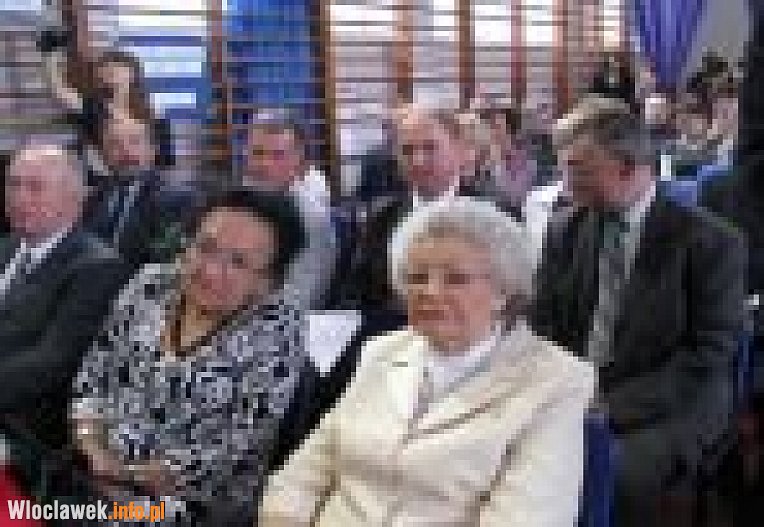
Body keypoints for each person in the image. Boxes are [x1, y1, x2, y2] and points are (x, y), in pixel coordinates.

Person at [260, 196, 595, 527]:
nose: (430, 292)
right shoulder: (381, 351)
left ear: (504, 292)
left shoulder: (557, 380)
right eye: (417, 278)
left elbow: (527, 518)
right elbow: (303, 474)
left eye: (456, 279)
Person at [530, 96, 747, 527]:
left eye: (579, 170)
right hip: (578, 384)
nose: (565, 185)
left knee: (617, 473)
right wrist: (559, 387)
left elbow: (708, 354)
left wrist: (609, 405)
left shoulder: (711, 242)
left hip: (674, 395)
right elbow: (545, 323)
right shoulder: (564, 228)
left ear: (629, 167)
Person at [72, 189, 315, 526]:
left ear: (268, 281)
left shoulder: (278, 330)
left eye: (238, 262)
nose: (210, 270)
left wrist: (124, 476)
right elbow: (92, 377)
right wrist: (92, 447)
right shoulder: (150, 284)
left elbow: (229, 453)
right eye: (205, 247)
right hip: (90, 470)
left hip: (186, 505)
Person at [0, 141, 128, 452]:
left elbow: (52, 362)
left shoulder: (98, 266)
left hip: (27, 426)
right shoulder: (5, 247)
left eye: (35, 187)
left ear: (73, 198)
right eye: (13, 185)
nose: (19, 198)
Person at [243, 109, 335, 311]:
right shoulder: (228, 210)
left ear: (299, 162)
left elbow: (300, 299)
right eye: (257, 153)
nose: (265, 164)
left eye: (278, 155)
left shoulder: (313, 220)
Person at [80, 115, 174, 269]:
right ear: (104, 155)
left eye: (135, 142)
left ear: (152, 150)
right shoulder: (92, 197)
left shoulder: (174, 197)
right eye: (115, 144)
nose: (126, 152)